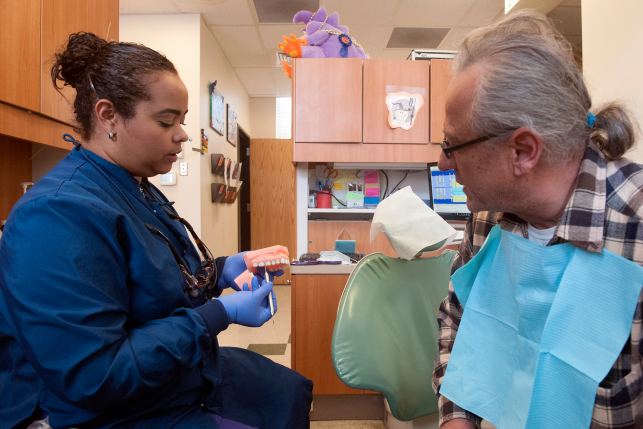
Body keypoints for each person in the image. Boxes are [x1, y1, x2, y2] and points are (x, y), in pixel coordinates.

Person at [0, 32, 312, 429]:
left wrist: (221, 270)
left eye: (182, 121)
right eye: (167, 121)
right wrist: (220, 313)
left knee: (287, 391)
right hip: (108, 412)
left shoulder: (134, 185)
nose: (182, 134)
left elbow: (156, 278)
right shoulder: (56, 215)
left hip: (172, 379)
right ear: (108, 115)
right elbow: (95, 376)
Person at [430, 10, 643, 429]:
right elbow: (457, 318)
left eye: (452, 144)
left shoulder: (634, 225)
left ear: (523, 151)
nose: (441, 161)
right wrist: (455, 418)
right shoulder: (487, 216)